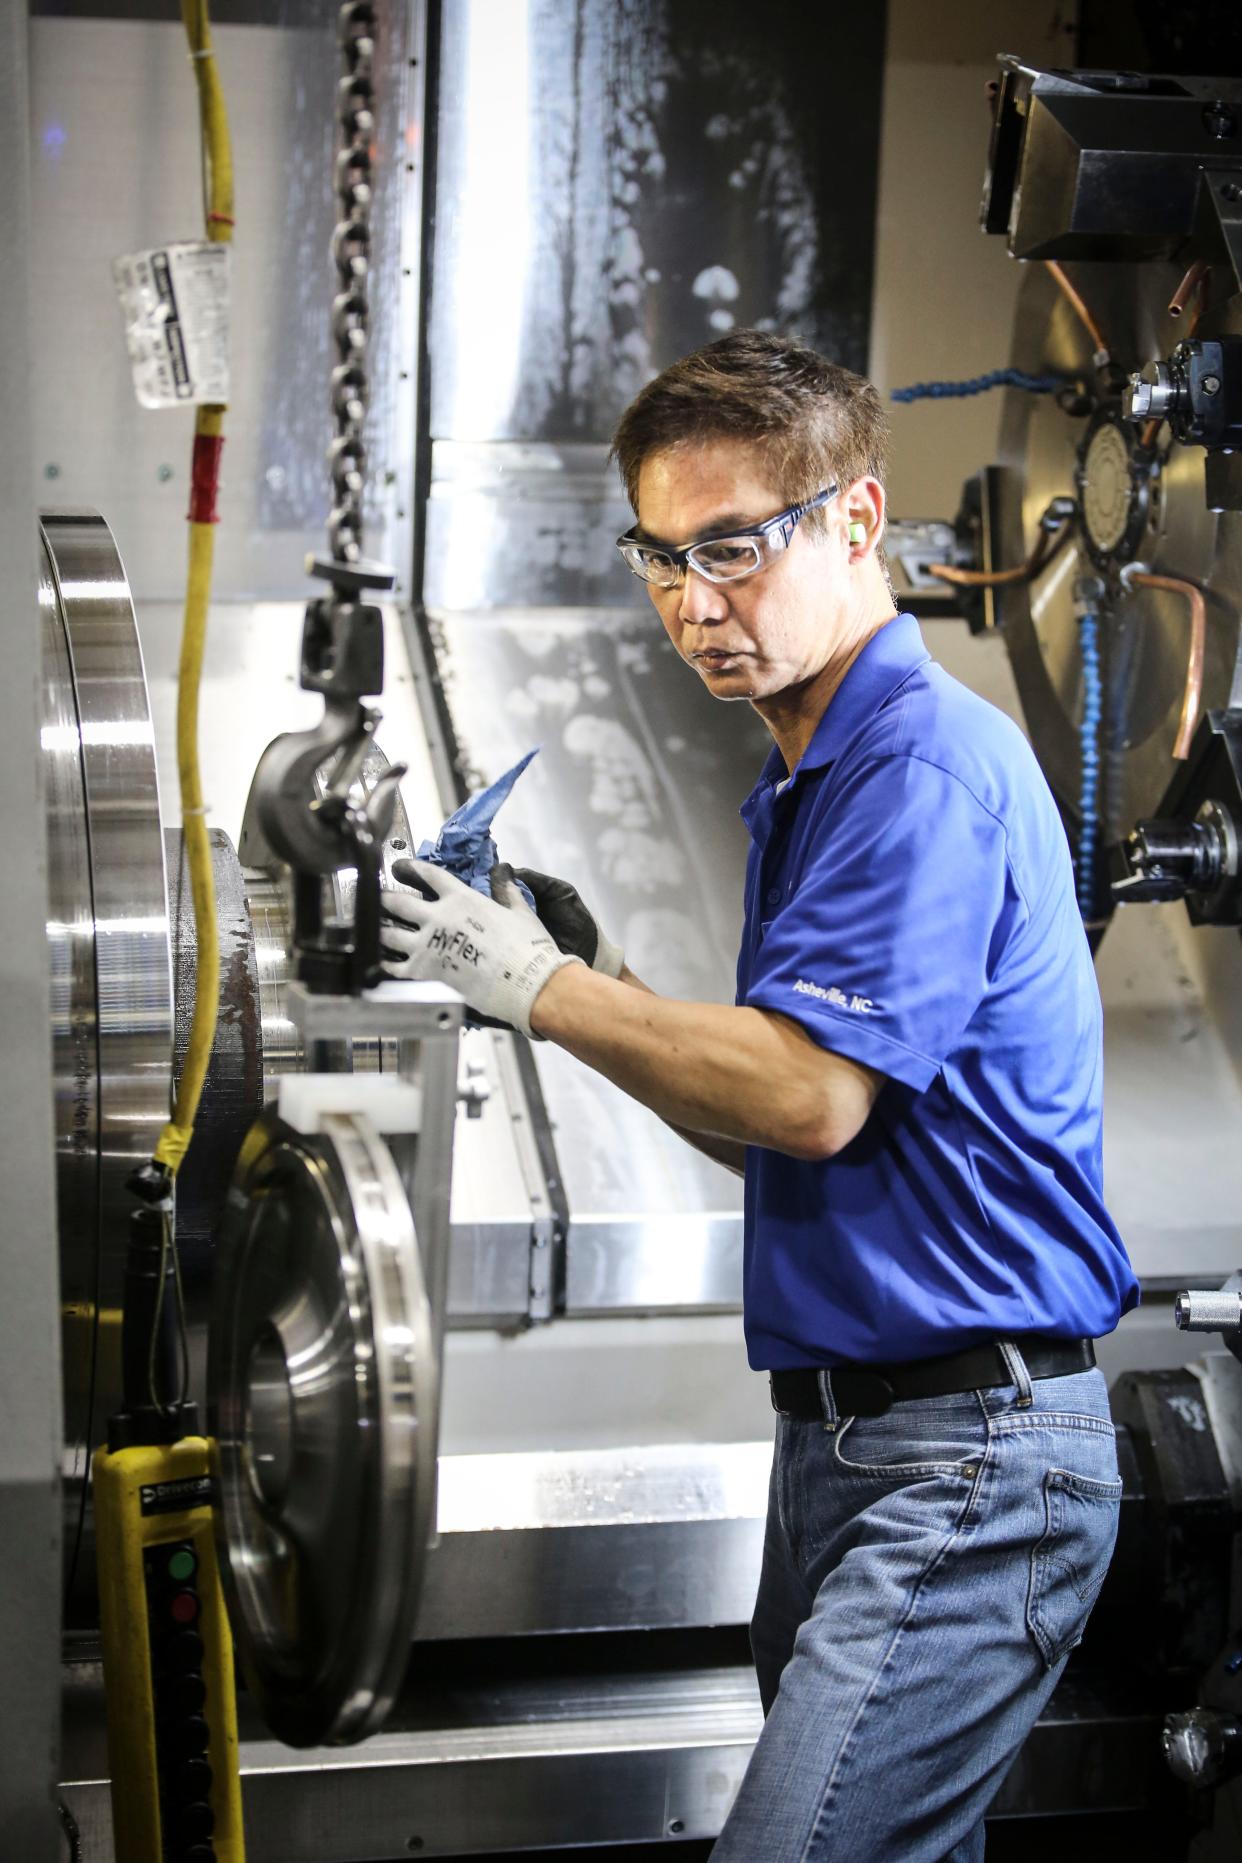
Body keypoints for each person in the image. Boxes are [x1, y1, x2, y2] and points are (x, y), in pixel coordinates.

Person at [380, 329, 1139, 1861]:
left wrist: (535, 985)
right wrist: (574, 979)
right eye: (659, 557)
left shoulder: (917, 771)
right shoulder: (817, 777)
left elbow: (803, 1100)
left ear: (856, 523)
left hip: (969, 1455)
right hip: (848, 1453)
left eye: (732, 547)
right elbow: (771, 1130)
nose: (691, 603)